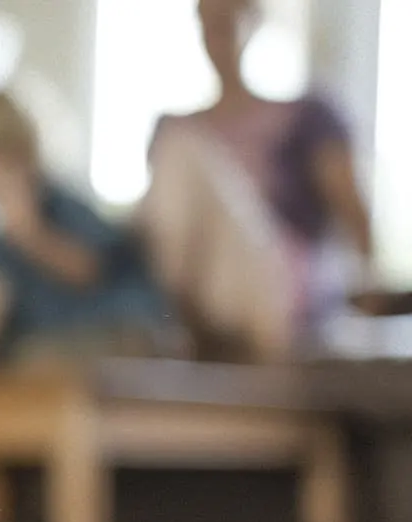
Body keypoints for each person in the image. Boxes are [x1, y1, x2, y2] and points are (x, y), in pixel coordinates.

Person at [137, 0, 393, 360]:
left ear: (253, 22)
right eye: (207, 25)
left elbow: (353, 211)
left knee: (179, 147)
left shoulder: (308, 115)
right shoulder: (179, 127)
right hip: (206, 291)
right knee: (175, 143)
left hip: (285, 290)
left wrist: (369, 290)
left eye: (226, 24)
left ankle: (163, 323)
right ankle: (166, 321)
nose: (216, 38)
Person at [0, 92, 175, 377]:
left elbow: (87, 268)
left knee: (32, 361)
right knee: (20, 357)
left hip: (123, 329)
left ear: (11, 158)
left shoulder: (58, 205)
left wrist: (31, 235)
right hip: (69, 337)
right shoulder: (2, 234)